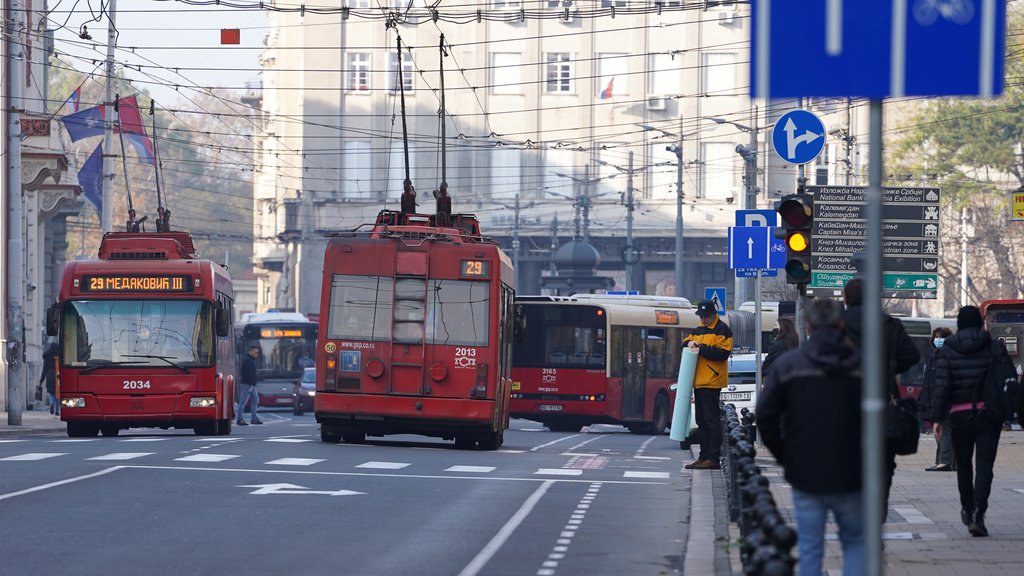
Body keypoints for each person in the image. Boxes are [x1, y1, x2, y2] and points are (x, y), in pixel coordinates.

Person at [758, 298, 863, 576]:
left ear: (808, 325)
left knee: (810, 546)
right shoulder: (861, 364)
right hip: (851, 469)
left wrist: (785, 455)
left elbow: (766, 416)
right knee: (855, 543)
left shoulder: (790, 364)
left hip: (805, 469)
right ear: (841, 324)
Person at [929, 306, 1015, 537]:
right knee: (985, 466)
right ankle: (979, 511)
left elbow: (942, 386)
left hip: (959, 416)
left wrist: (937, 418)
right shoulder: (995, 347)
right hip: (989, 416)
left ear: (959, 324)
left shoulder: (948, 349)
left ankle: (967, 508)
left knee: (964, 466)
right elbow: (1008, 381)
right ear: (980, 323)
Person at [842, 278, 921, 515]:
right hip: (881, 405)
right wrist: (889, 368)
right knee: (883, 464)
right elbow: (912, 355)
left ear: (846, 299)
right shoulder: (888, 324)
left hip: (843, 407)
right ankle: (877, 515)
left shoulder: (836, 325)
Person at [682, 300, 733, 471]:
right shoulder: (698, 330)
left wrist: (701, 347)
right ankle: (703, 457)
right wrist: (688, 343)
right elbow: (685, 342)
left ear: (713, 314)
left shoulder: (722, 330)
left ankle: (713, 458)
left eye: (706, 316)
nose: (703, 319)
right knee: (701, 421)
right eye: (701, 316)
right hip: (698, 380)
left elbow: (722, 354)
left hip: (711, 381)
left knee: (711, 421)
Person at [919, 326, 955, 472]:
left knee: (945, 429)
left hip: (944, 399)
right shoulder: (932, 355)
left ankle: (945, 461)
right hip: (933, 399)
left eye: (942, 337)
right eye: (936, 337)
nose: (938, 340)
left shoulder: (948, 354)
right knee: (939, 430)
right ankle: (942, 460)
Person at [237, 345, 262, 426]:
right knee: (243, 402)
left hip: (251, 385)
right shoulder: (248, 361)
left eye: (257, 353)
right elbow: (248, 374)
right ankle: (239, 419)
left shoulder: (250, 360)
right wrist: (251, 383)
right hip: (247, 385)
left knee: (255, 400)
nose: (256, 354)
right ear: (250, 351)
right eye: (255, 352)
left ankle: (254, 419)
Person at [39, 343, 59, 416]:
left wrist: (41, 380)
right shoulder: (59, 356)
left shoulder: (47, 357)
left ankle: (51, 403)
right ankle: (57, 411)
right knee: (58, 393)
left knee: (51, 392)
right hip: (58, 375)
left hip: (49, 375)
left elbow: (44, 369)